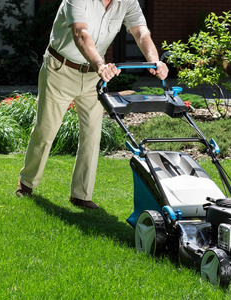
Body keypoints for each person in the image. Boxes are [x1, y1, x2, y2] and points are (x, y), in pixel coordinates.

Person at [16, 0, 168, 208]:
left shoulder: (127, 2)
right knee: (46, 130)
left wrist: (155, 60)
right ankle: (26, 184)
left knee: (92, 134)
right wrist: (100, 64)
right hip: (60, 68)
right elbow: (80, 33)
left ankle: (81, 195)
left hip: (92, 77)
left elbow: (141, 32)